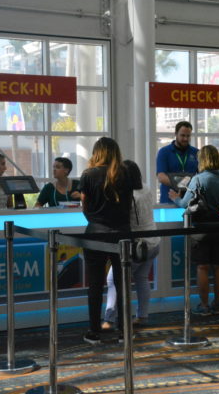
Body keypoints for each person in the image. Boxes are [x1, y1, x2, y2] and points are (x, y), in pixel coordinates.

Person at [79, 137, 133, 344]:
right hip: (122, 234)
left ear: (96, 152)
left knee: (95, 284)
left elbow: (85, 206)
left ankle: (94, 331)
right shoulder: (125, 173)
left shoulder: (88, 175)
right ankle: (124, 331)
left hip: (95, 233)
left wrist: (95, 220)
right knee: (122, 284)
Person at [169, 145, 219, 315]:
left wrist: (175, 198)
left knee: (202, 267)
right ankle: (217, 305)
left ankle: (204, 306)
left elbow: (185, 204)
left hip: (201, 228)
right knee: (218, 267)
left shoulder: (198, 179)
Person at [102, 160, 161, 329]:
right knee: (141, 278)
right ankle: (142, 316)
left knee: (113, 279)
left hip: (136, 245)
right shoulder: (147, 187)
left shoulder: (127, 195)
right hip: (153, 240)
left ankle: (109, 319)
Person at [156, 120, 199, 203]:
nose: (185, 139)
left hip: (190, 201)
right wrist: (186, 184)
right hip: (169, 201)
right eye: (182, 135)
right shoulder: (164, 152)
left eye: (188, 136)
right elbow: (161, 177)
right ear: (175, 134)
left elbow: (202, 176)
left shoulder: (196, 152)